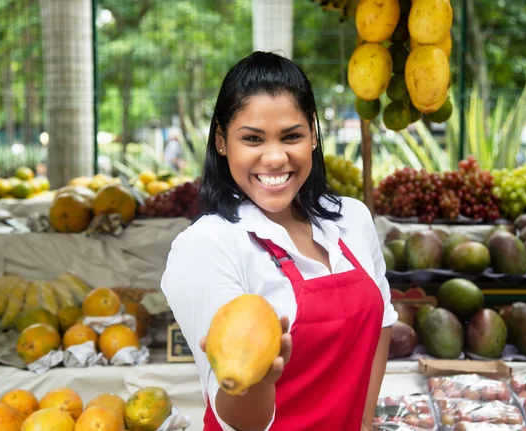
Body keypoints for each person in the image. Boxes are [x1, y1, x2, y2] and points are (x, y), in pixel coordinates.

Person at [161, 51, 397, 431]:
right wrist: (257, 383)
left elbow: (382, 319)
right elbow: (234, 417)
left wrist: (365, 420)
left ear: (314, 135)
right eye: (252, 139)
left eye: (292, 136)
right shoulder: (206, 247)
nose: (274, 157)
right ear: (221, 141)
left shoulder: (353, 219)